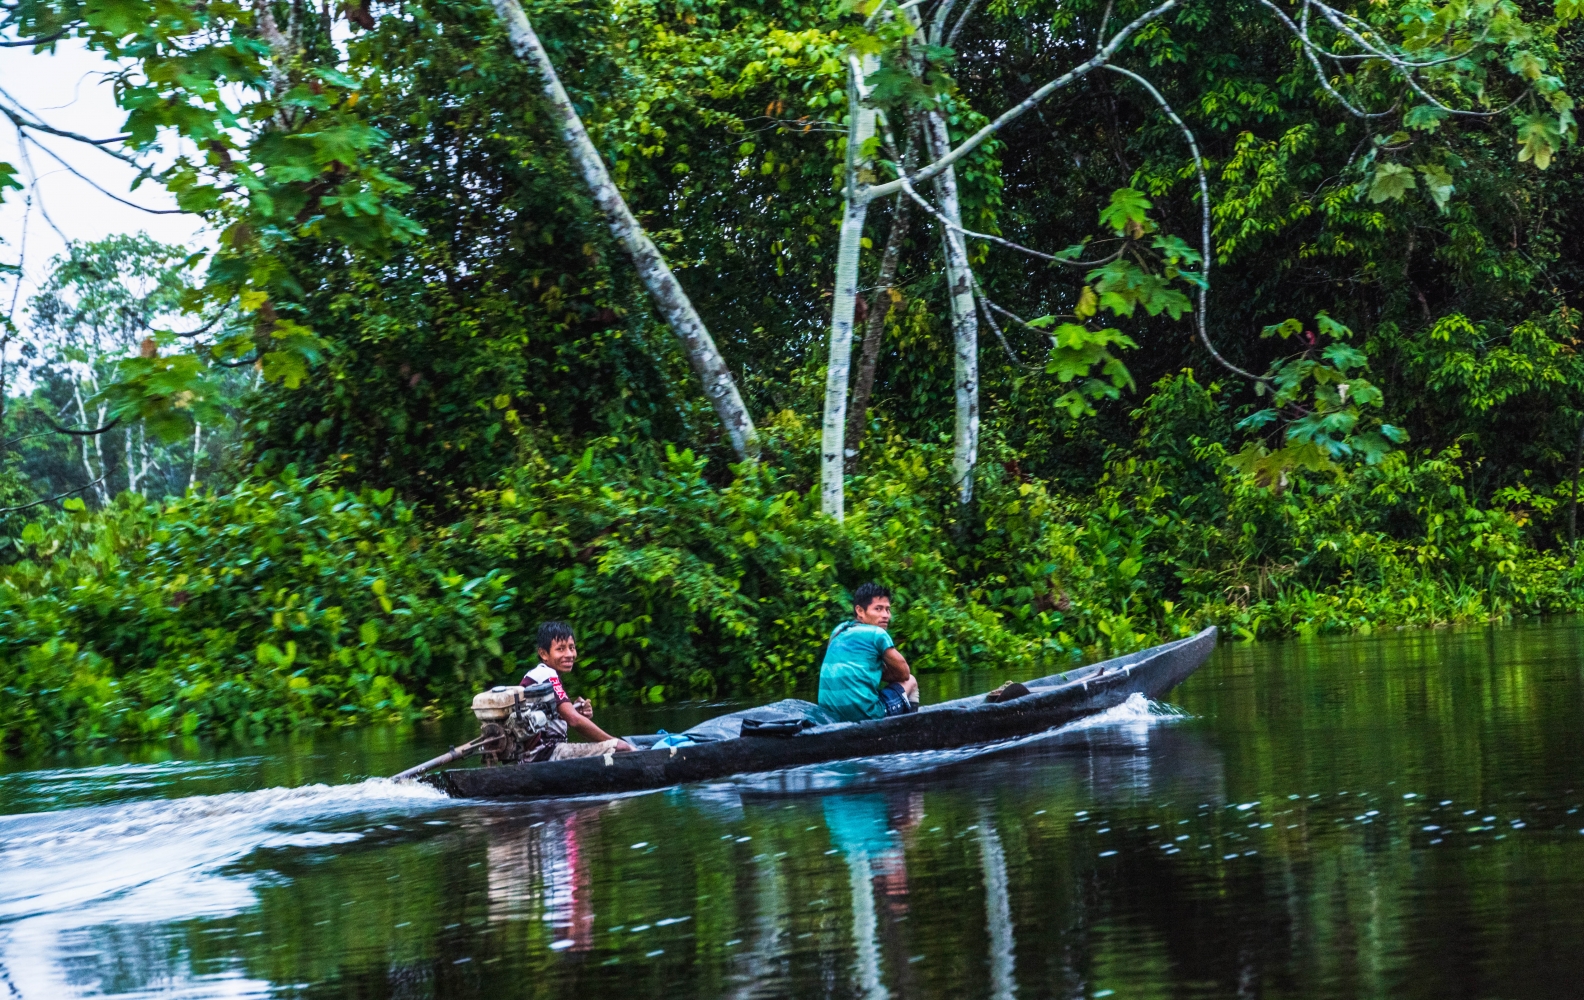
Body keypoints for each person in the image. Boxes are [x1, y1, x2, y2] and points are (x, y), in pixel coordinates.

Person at [521, 621, 636, 759]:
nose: (569, 654)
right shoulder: (546, 675)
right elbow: (574, 720)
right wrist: (615, 743)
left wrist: (575, 711)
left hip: (535, 756)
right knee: (622, 748)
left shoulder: (540, 675)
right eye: (560, 649)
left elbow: (552, 724)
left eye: (572, 647)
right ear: (543, 654)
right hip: (546, 754)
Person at [817, 583, 920, 723]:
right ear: (859, 611)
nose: (885, 615)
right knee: (911, 681)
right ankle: (913, 726)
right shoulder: (877, 634)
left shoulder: (838, 631)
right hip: (867, 715)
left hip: (828, 717)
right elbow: (904, 673)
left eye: (887, 610)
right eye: (878, 609)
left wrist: (872, 669)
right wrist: (877, 670)